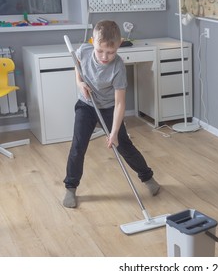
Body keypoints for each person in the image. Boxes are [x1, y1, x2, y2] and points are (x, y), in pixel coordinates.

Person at [63, 20, 161, 208]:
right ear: (93, 42)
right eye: (100, 51)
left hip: (109, 108)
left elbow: (120, 103)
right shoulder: (84, 51)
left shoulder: (118, 67)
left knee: (124, 145)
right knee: (78, 146)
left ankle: (147, 178)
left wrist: (114, 132)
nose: (105, 57)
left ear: (119, 45)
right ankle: (70, 187)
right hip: (86, 105)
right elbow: (77, 66)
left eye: (111, 52)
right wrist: (80, 83)